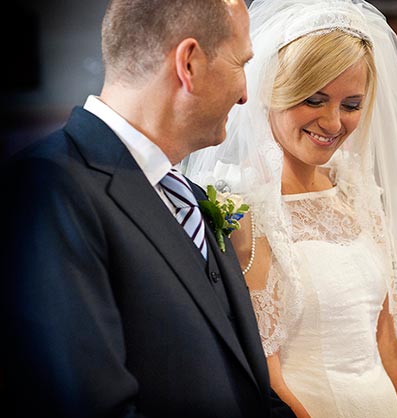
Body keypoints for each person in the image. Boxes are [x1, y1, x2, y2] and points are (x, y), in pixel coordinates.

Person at [0, 1, 295, 417]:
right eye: (240, 63)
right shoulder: (46, 190)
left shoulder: (186, 192)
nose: (246, 93)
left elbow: (247, 382)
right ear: (189, 63)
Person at [183, 0, 397, 417]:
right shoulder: (240, 207)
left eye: (351, 105)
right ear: (271, 90)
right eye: (314, 99)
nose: (333, 123)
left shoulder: (359, 193)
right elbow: (269, 380)